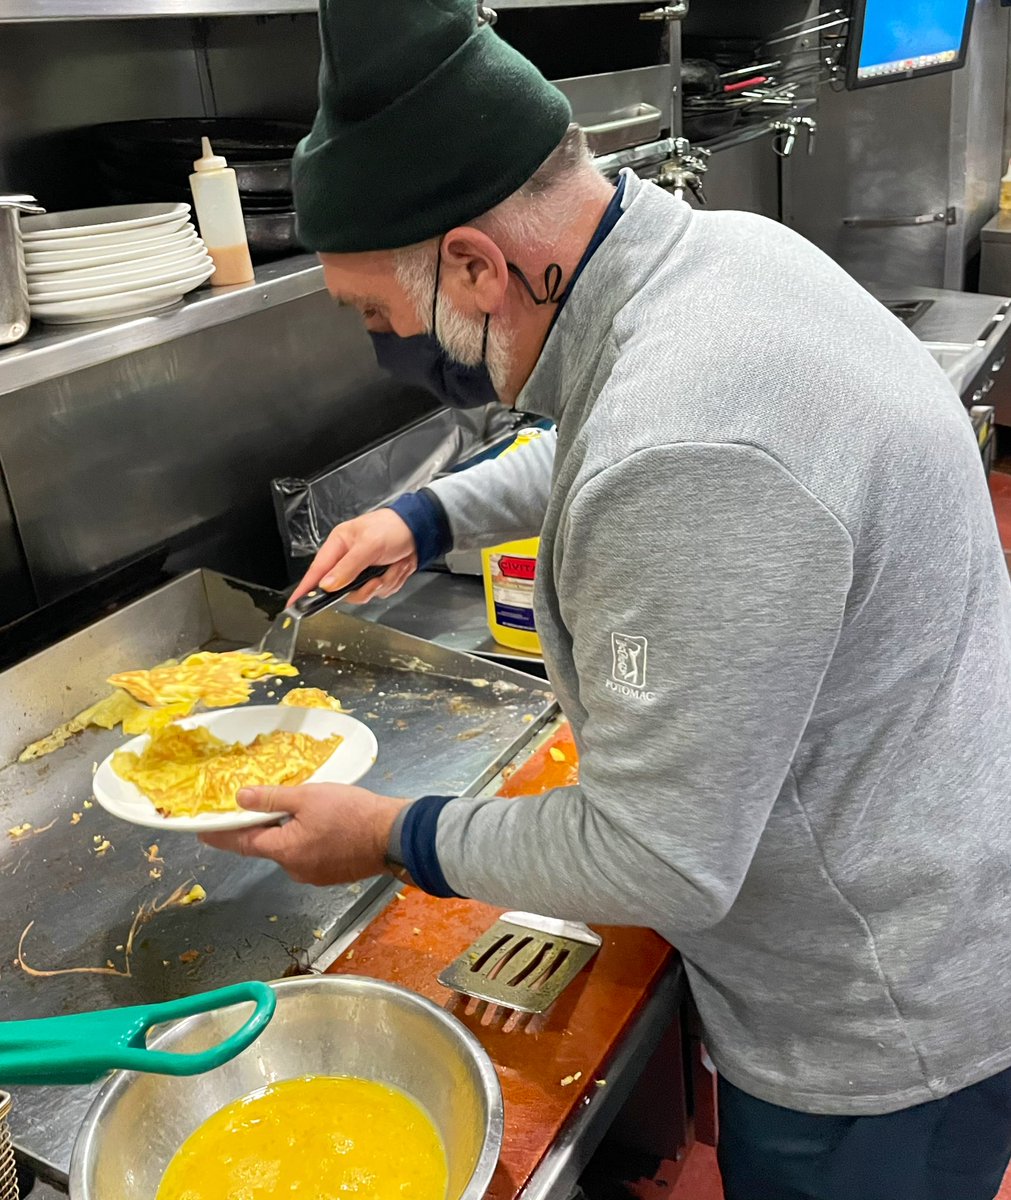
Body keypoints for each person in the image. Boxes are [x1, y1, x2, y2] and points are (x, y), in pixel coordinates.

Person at [202, 3, 1011, 1197]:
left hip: (880, 1024)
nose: (383, 343)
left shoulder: (683, 440)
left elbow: (658, 857)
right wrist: (429, 516)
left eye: (377, 314)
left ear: (473, 265)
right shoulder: (716, 262)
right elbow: (602, 432)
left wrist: (386, 833)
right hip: (928, 875)